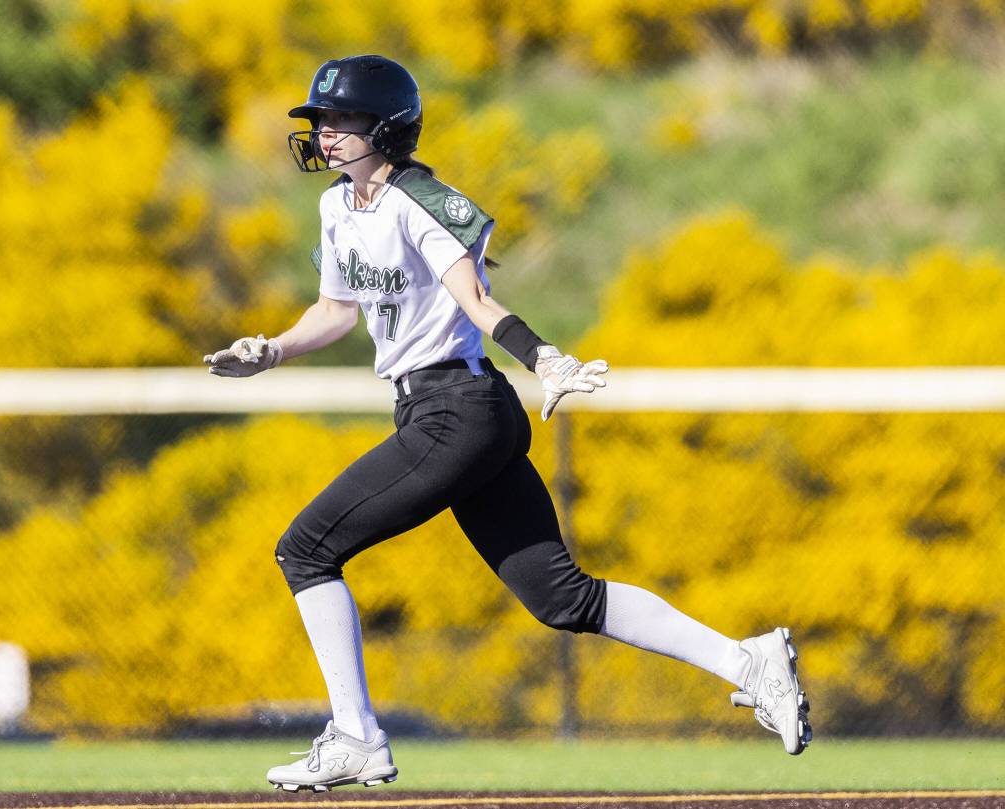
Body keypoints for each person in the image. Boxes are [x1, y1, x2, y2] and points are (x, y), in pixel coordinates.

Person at [203, 54, 812, 793]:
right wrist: (270, 350)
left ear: (387, 129)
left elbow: (478, 301)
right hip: (454, 411)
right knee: (563, 597)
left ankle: (357, 736)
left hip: (456, 410)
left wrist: (544, 357)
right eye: (320, 121)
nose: (324, 133)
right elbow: (334, 312)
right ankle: (750, 661)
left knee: (304, 550)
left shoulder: (420, 200)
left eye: (341, 120)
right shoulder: (339, 207)